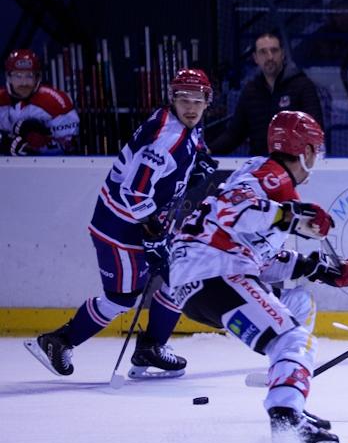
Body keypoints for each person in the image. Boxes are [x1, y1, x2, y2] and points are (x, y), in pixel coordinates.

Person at [171, 110, 348, 443]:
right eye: (316, 149)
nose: (317, 158)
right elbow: (234, 211)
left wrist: (319, 270)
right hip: (214, 274)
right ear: (305, 150)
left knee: (299, 304)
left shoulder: (269, 184)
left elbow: (260, 257)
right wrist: (294, 216)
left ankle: (289, 397)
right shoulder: (268, 178)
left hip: (201, 284)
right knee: (294, 339)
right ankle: (286, 419)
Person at [24, 69, 215, 380]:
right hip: (120, 228)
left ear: (208, 101)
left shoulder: (179, 123)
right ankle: (58, 341)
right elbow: (134, 191)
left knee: (179, 275)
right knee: (121, 299)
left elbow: (182, 151)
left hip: (137, 223)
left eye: (198, 100)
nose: (191, 107)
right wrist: (153, 234)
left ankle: (151, 347)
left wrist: (197, 161)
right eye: (184, 99)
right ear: (173, 99)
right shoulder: (168, 139)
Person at [209, 32, 324, 156]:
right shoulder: (251, 91)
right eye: (263, 52)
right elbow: (234, 134)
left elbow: (314, 128)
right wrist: (209, 151)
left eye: (274, 51)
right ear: (255, 58)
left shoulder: (302, 85)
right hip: (260, 163)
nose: (270, 57)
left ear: (282, 54)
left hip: (293, 162)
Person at [0, 49, 79, 155]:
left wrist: (38, 144)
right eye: (18, 76)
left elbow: (70, 147)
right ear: (8, 78)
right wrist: (5, 142)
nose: (24, 83)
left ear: (37, 78)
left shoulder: (55, 102)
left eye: (29, 76)